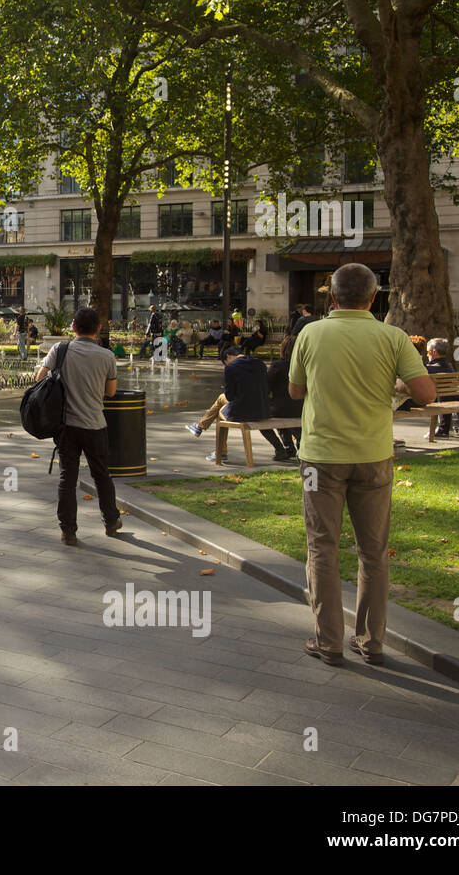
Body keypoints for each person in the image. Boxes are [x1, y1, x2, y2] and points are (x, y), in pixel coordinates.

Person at [289, 263, 433, 667]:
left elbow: (295, 390)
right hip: (373, 455)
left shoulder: (311, 333)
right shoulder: (393, 337)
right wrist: (398, 383)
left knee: (322, 548)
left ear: (331, 297)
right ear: (374, 298)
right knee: (373, 552)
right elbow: (426, 393)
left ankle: (329, 641)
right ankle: (371, 642)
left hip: (321, 456)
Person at [36, 306, 121, 545]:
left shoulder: (59, 350)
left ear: (73, 327)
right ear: (98, 329)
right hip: (95, 424)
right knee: (102, 475)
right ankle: (111, 521)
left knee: (67, 477)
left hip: (66, 426)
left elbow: (39, 378)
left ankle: (68, 530)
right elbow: (111, 392)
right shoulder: (107, 356)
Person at [183, 346, 271, 461]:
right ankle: (200, 427)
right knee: (221, 400)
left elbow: (229, 396)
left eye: (225, 363)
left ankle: (220, 451)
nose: (226, 365)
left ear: (228, 357)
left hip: (243, 411)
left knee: (221, 410)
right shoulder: (260, 364)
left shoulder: (231, 368)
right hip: (262, 409)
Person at [259, 334, 301, 460]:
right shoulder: (304, 365)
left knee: (261, 418)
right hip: (301, 406)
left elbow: (266, 388)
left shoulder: (278, 366)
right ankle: (291, 447)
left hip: (280, 407)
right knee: (283, 413)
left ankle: (281, 448)